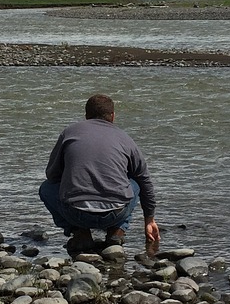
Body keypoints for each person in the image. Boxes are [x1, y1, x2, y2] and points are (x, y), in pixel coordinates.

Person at [39, 93, 161, 255]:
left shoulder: (70, 133)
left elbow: (52, 175)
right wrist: (149, 219)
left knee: (46, 188)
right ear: (113, 116)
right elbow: (145, 180)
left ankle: (80, 233)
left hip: (76, 213)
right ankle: (117, 231)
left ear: (86, 115)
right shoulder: (125, 138)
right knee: (136, 183)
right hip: (115, 213)